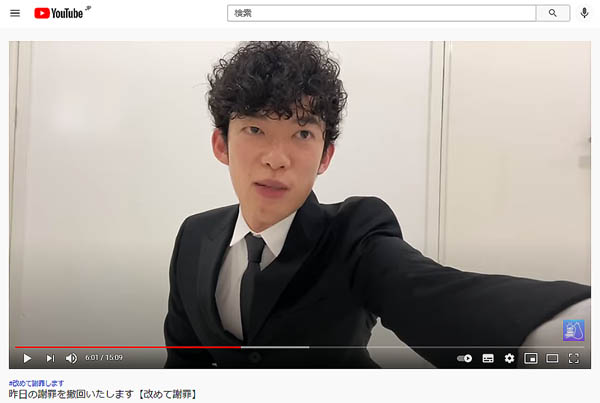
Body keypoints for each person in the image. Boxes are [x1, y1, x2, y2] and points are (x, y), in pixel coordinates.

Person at [164, 41, 590, 368]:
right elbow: (184, 362)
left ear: (325, 156)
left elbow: (433, 297)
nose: (276, 158)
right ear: (221, 144)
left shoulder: (355, 234)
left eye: (302, 134)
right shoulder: (195, 235)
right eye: (255, 129)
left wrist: (574, 326)